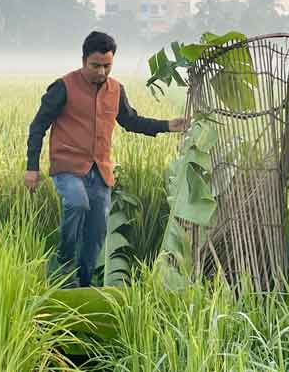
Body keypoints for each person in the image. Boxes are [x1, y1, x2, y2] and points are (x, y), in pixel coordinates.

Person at [24, 31, 187, 287]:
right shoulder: (63, 87)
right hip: (68, 166)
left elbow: (131, 121)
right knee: (77, 203)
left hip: (101, 172)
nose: (101, 72)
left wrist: (168, 125)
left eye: (107, 66)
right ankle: (64, 263)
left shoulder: (116, 90)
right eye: (95, 65)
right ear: (83, 60)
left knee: (96, 235)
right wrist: (31, 168)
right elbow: (37, 126)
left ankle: (85, 284)